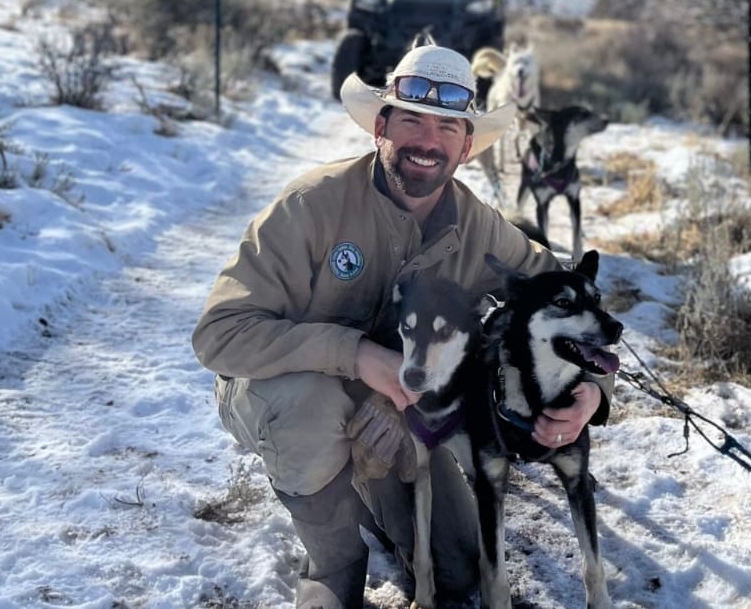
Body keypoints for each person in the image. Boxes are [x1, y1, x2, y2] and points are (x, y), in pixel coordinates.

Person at [191, 45, 613, 609]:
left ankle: (365, 487)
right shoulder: (310, 205)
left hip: (396, 406)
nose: (426, 141)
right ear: (380, 126)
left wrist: (592, 390)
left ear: (466, 147)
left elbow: (566, 293)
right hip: (277, 386)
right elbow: (218, 335)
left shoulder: (477, 226)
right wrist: (358, 356)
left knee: (458, 573)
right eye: (410, 119)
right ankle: (333, 570)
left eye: (447, 127)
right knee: (312, 409)